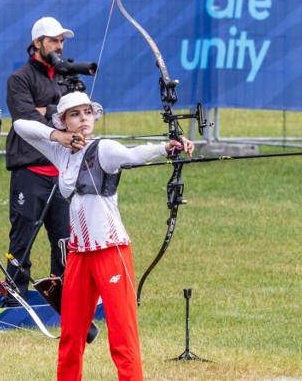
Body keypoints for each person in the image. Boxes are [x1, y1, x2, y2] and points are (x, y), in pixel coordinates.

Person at [13, 91, 194, 381]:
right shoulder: (60, 150)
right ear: (64, 122)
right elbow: (21, 126)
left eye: (87, 112)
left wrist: (167, 147)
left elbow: (133, 155)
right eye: (74, 114)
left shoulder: (104, 148)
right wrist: (57, 137)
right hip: (79, 255)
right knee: (72, 334)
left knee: (122, 334)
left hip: (111, 250)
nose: (83, 119)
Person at [4, 17, 76, 305]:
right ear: (37, 43)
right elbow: (25, 117)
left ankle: (62, 297)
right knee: (22, 238)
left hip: (60, 171)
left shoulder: (64, 76)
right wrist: (55, 118)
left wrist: (49, 110)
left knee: (63, 240)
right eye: (54, 41)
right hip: (30, 169)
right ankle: (15, 298)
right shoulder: (19, 79)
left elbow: (76, 114)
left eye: (62, 41)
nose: (59, 46)